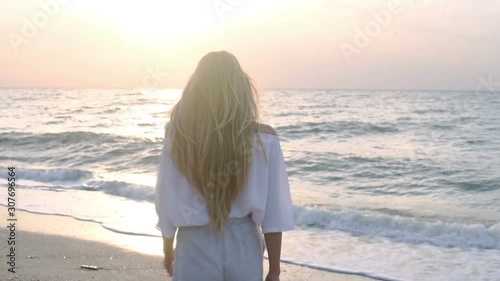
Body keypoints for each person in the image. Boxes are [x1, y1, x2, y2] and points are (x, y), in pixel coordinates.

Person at [154, 51, 295, 281]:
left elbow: (166, 200)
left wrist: (168, 249)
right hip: (244, 243)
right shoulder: (264, 139)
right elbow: (273, 213)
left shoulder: (178, 138)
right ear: (241, 88)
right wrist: (275, 270)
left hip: (194, 243)